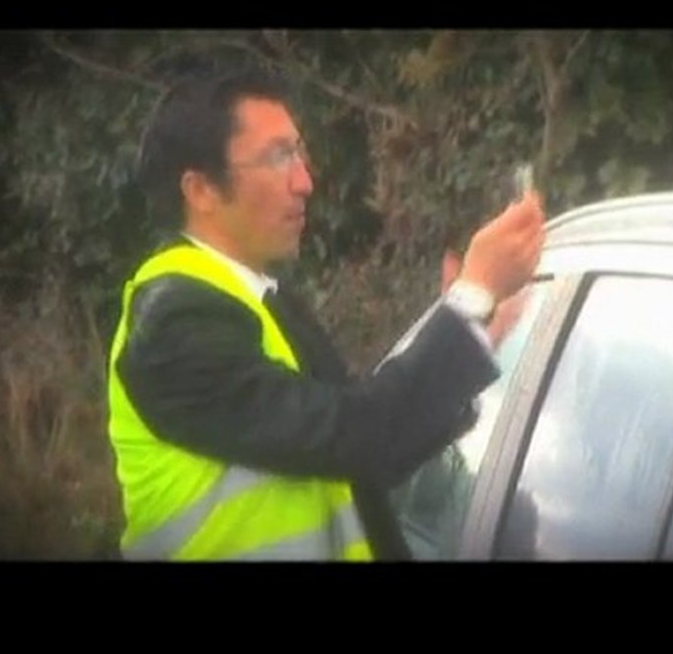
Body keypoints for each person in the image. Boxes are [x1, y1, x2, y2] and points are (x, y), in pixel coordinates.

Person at [106, 70, 545, 561]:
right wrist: (473, 296)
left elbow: (367, 441)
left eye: (299, 153)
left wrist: (470, 332)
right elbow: (360, 436)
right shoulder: (175, 325)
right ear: (201, 189)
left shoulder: (260, 297)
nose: (305, 182)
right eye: (277, 157)